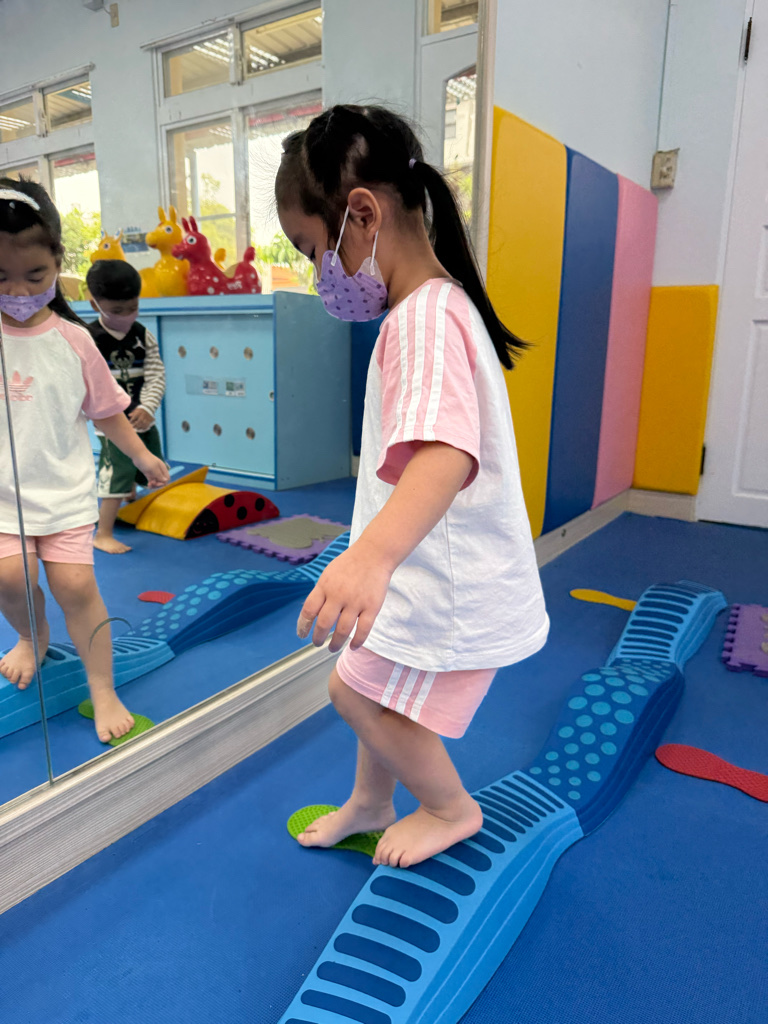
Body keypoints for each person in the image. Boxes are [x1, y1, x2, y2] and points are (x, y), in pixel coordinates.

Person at [275, 105, 549, 869]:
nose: (319, 274)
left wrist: (370, 558)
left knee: (355, 692)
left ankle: (449, 807)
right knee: (377, 687)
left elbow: (446, 455)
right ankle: (371, 801)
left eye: (313, 249)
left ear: (362, 214)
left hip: (446, 581)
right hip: (426, 567)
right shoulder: (433, 306)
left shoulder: (423, 320)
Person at [0, 178, 169, 741]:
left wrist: (142, 457)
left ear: (57, 264)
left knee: (74, 586)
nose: (17, 290)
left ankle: (102, 687)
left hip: (64, 494)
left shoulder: (74, 340)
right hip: (4, 500)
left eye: (34, 276)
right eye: (0, 277)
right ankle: (31, 636)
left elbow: (107, 412)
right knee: (11, 577)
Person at [85, 260, 166, 555]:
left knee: (151, 464)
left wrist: (148, 407)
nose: (127, 316)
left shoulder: (142, 335)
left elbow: (156, 374)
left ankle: (130, 500)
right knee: (117, 472)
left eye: (133, 308)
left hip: (143, 418)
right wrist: (101, 415)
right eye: (117, 311)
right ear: (95, 305)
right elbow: (92, 384)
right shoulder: (89, 339)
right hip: (112, 425)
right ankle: (103, 533)